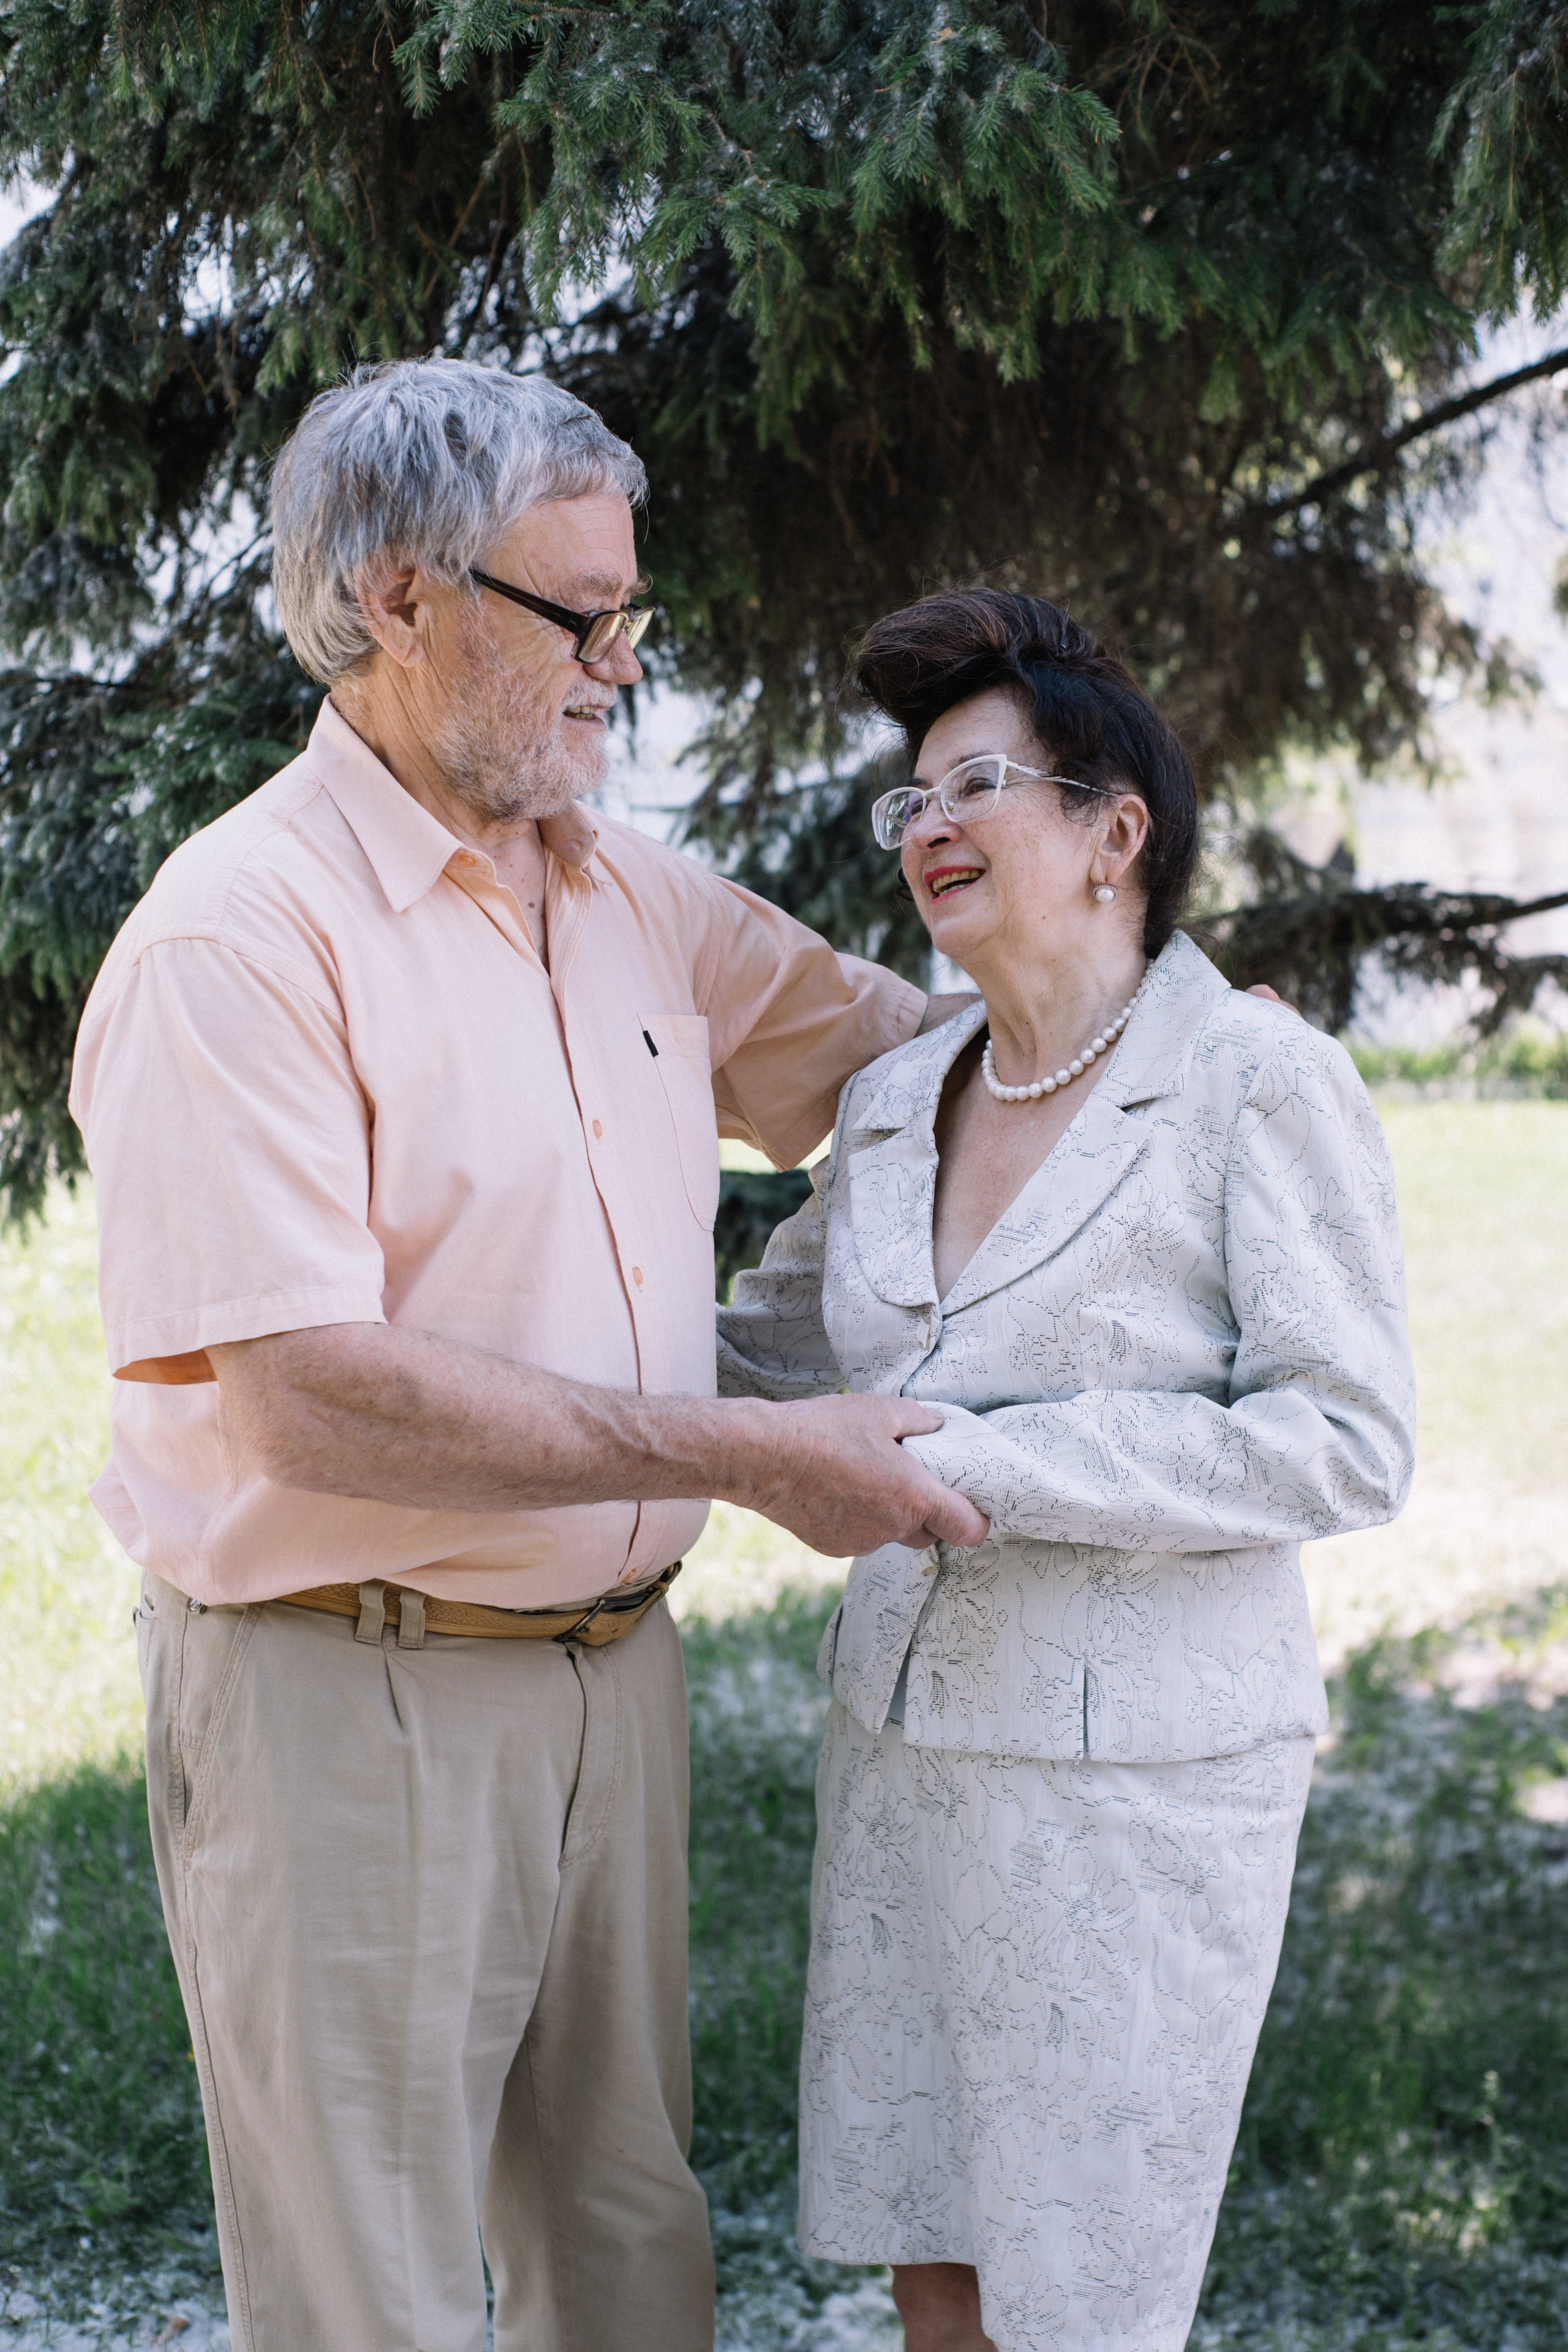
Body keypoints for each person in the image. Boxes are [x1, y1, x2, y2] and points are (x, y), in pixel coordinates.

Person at [67, 359, 987, 2352]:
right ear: (401, 597)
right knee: (369, 2302)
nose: (625, 670)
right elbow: (308, 1385)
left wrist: (1178, 1034)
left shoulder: (631, 889)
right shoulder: (239, 938)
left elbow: (912, 1064)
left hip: (612, 1682)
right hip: (347, 1690)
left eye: (635, 618)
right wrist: (753, 1453)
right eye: (584, 619)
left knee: (630, 2256)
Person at [717, 589, 1416, 2352]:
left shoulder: (1258, 1077)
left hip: (1138, 1802)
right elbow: (749, 1362)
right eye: (910, 804)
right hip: (903, 1762)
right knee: (934, 2271)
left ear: (1118, 832)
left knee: (1083, 2301)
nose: (927, 830)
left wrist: (998, 1464)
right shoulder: (896, 1100)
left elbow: (1346, 1436)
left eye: (975, 788)